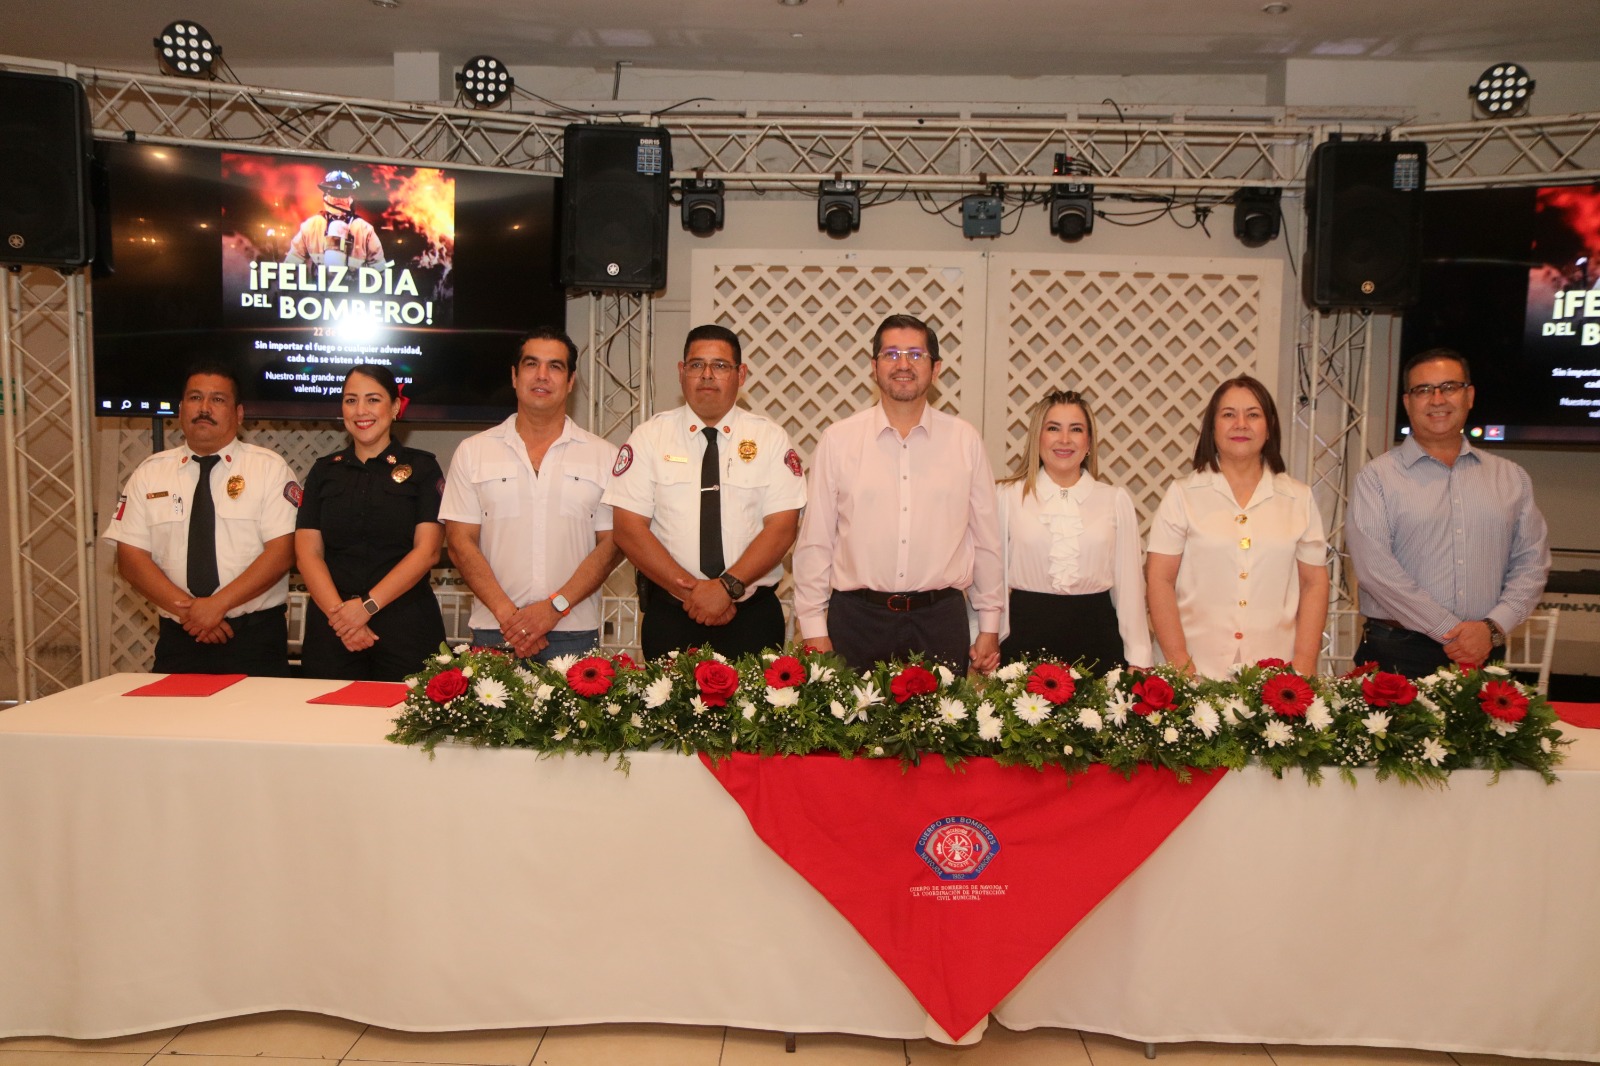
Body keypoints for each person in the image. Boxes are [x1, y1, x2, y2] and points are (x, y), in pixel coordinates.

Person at [792, 313, 1003, 675]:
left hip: (940, 620)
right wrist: (813, 627)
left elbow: (986, 540)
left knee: (946, 715)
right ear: (874, 367)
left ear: (936, 369)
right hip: (856, 621)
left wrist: (990, 625)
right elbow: (816, 541)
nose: (903, 364)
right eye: (891, 354)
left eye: (916, 355)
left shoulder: (964, 440)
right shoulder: (839, 441)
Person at [604, 324, 806, 661]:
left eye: (720, 366)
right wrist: (692, 592)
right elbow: (628, 529)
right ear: (681, 372)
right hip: (672, 615)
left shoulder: (770, 439)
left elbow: (783, 528)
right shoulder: (649, 438)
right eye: (696, 365)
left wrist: (727, 588)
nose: (707, 375)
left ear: (741, 375)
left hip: (752, 617)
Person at [1347, 348, 1550, 677]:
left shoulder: (1511, 477)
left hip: (1484, 650)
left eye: (1450, 387)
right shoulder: (1376, 478)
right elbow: (1375, 570)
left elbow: (1532, 564)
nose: (1437, 399)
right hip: (1397, 652)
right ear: (1408, 402)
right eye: (1423, 390)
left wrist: (1491, 628)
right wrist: (1451, 631)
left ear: (1469, 396)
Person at [441, 328, 624, 662]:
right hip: (495, 630)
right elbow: (459, 542)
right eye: (531, 364)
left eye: (555, 366)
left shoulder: (604, 456)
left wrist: (553, 609)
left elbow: (612, 545)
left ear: (571, 381)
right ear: (514, 376)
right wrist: (511, 618)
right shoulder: (473, 452)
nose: (542, 375)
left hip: (573, 632)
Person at [104, 364, 298, 675]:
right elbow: (130, 558)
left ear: (239, 414)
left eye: (218, 400)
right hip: (180, 636)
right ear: (181, 410)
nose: (204, 408)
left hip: (254, 640)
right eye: (195, 398)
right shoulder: (150, 473)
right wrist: (192, 613)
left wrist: (216, 606)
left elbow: (282, 551)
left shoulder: (269, 469)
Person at [1146, 375, 1328, 678]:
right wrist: (1180, 662)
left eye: (1253, 415)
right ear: (1212, 427)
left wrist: (1305, 662)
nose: (1241, 424)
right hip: (1193, 669)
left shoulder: (1299, 498)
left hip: (1276, 673)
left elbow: (1314, 584)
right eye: (1229, 415)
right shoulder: (1182, 494)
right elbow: (1159, 580)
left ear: (1269, 427)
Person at [294, 365, 446, 680]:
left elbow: (428, 551)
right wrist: (343, 620)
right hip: (333, 627)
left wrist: (365, 608)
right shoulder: (324, 471)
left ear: (395, 407)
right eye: (351, 400)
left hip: (406, 625)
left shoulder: (423, 468)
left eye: (373, 400)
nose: (361, 410)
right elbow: (308, 553)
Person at [996, 389, 1152, 670]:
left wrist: (1139, 657)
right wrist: (985, 638)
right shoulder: (1007, 497)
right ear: (1037, 437)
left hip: (1098, 641)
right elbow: (990, 580)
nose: (1065, 439)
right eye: (1053, 428)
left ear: (1089, 442)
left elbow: (1129, 587)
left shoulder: (1115, 500)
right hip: (1023, 638)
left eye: (1076, 429)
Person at [284, 169, 386, 270]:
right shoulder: (364, 228)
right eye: (335, 193)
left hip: (332, 281)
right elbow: (381, 270)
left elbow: (289, 267)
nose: (338, 197)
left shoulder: (311, 226)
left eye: (342, 193)